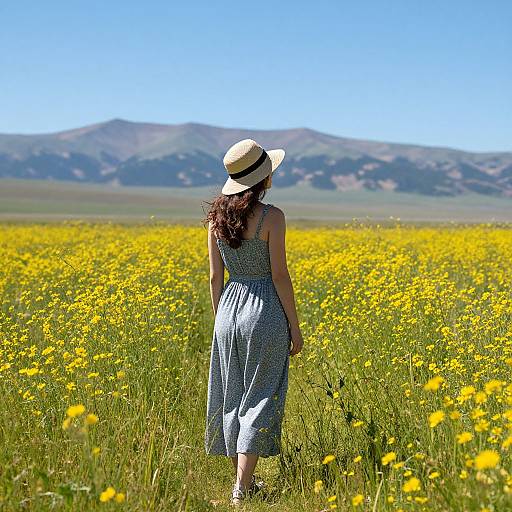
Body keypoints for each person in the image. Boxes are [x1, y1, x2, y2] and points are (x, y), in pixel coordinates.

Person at [202, 138, 304, 506]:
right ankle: (241, 489)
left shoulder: (215, 219)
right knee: (259, 398)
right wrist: (294, 326)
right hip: (264, 310)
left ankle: (242, 480)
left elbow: (215, 278)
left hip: (228, 310)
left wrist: (221, 320)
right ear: (263, 179)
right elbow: (280, 276)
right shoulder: (272, 217)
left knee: (230, 396)